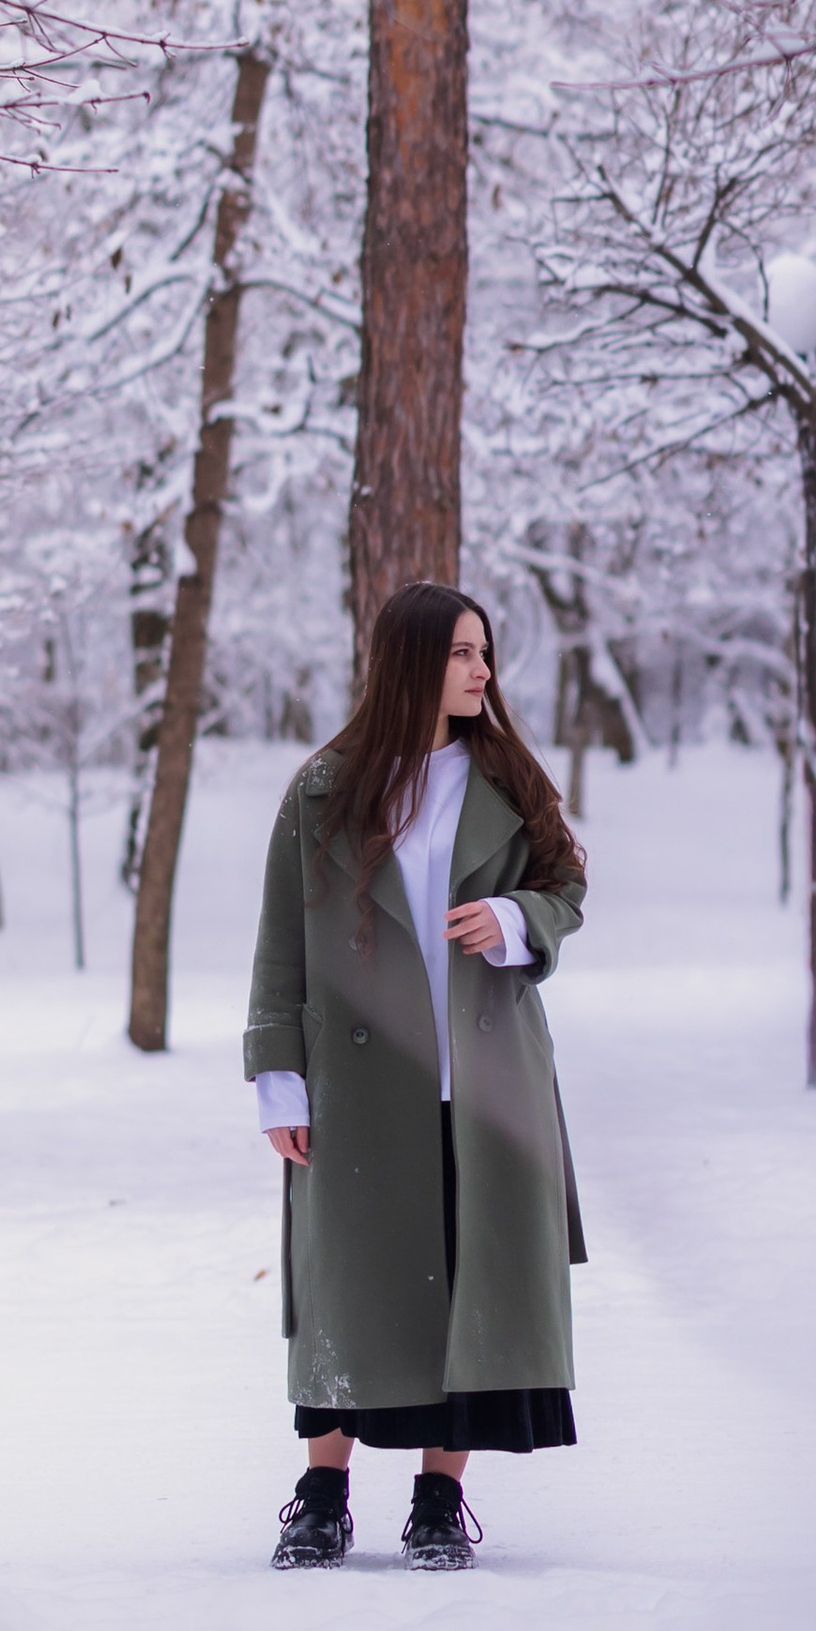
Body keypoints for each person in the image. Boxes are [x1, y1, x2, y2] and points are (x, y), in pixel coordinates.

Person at [244, 581, 587, 1570]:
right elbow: (280, 945)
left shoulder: (508, 779)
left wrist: (518, 920)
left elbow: (564, 885)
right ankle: (322, 1492)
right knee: (349, 1284)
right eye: (464, 654)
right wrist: (278, 1075)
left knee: (473, 1282)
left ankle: (440, 1496)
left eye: (486, 654)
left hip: (488, 1078)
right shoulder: (325, 790)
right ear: (411, 663)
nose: (484, 671)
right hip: (356, 1086)